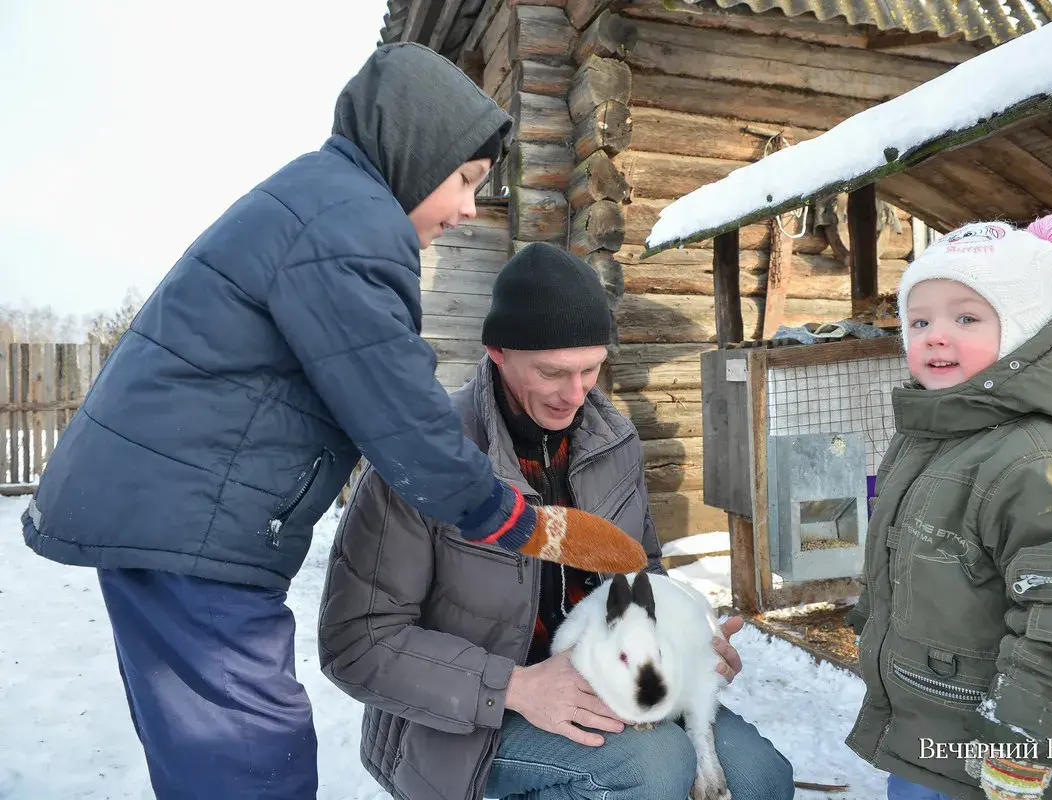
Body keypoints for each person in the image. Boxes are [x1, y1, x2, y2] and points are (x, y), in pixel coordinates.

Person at [21, 44, 645, 800]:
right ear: (415, 157)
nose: (471, 208)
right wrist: (517, 521)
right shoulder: (349, 225)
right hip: (190, 527)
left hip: (173, 516)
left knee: (221, 758)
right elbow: (401, 413)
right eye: (465, 180)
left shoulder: (324, 206)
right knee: (250, 759)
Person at [318, 242, 797, 800]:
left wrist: (682, 633)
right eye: (552, 372)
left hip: (607, 679)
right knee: (652, 772)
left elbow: (644, 571)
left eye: (591, 368)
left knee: (763, 777)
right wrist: (515, 687)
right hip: (467, 720)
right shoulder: (422, 458)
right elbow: (357, 643)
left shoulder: (614, 441)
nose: (576, 394)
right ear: (498, 352)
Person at [844, 215, 1052, 800]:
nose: (934, 334)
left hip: (1005, 759)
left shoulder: (1043, 464)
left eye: (967, 317)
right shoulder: (928, 434)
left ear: (1024, 332)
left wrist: (1022, 748)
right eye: (919, 319)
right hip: (930, 734)